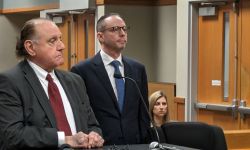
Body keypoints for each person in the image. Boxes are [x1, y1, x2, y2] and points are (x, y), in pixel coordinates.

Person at [0, 18, 104, 149]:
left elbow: (92, 125)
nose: (62, 46)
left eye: (60, 39)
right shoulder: (10, 82)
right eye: (52, 41)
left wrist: (94, 135)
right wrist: (65, 139)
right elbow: (12, 135)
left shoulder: (75, 81)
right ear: (30, 47)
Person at [71, 13, 150, 145]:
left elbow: (143, 112)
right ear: (100, 36)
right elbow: (80, 114)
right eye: (115, 29)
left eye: (124, 29)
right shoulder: (82, 70)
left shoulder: (138, 68)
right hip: (100, 144)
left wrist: (145, 142)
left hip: (134, 144)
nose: (122, 33)